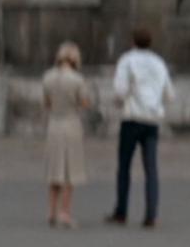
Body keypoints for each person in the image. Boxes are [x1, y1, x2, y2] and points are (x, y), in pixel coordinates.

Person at [105, 27, 175, 229]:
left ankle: (121, 211)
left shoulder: (127, 60)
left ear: (133, 41)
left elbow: (120, 90)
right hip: (152, 120)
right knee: (151, 168)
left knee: (124, 166)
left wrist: (120, 101)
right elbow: (170, 94)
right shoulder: (159, 63)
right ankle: (151, 214)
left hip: (132, 117)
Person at [43, 42, 91, 229]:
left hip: (54, 124)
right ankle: (65, 212)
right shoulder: (77, 80)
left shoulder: (47, 77)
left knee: (55, 169)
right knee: (70, 171)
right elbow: (84, 102)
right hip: (71, 124)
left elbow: (46, 103)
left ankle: (52, 211)